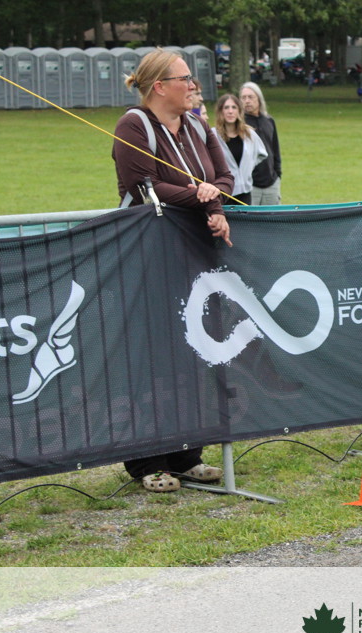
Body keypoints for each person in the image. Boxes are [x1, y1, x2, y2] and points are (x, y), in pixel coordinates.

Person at [112, 48, 233, 492]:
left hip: (193, 254)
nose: (193, 85)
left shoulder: (199, 124)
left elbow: (225, 178)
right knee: (150, 358)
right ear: (160, 86)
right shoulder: (134, 124)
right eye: (185, 78)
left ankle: (187, 454)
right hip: (147, 254)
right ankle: (147, 461)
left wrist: (213, 203)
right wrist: (202, 196)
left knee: (192, 350)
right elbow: (144, 187)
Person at [212, 93, 268, 206]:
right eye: (226, 108)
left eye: (234, 107)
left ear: (239, 111)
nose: (230, 111)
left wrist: (247, 168)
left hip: (245, 192)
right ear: (220, 111)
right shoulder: (213, 135)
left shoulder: (249, 134)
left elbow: (262, 154)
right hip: (222, 192)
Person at [240, 82, 283, 205]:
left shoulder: (269, 121)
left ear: (259, 98)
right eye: (243, 98)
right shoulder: (239, 124)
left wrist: (278, 174)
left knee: (273, 216)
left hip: (271, 183)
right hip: (250, 185)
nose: (247, 101)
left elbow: (275, 150)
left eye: (250, 97)